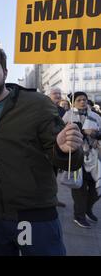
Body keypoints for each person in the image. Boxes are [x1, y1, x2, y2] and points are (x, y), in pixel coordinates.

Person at [0, 46, 83, 256]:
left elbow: (68, 161)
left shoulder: (37, 104)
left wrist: (65, 150)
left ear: (5, 71)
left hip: (34, 217)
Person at [62, 91, 101, 228]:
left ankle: (87, 209)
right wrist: (84, 132)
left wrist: (96, 134)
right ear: (73, 102)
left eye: (84, 99)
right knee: (80, 189)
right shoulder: (68, 116)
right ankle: (78, 216)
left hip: (93, 157)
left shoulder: (95, 116)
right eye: (79, 100)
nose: (82, 102)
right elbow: (63, 134)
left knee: (96, 190)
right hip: (77, 157)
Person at [47, 87, 67, 207]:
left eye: (59, 93)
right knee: (46, 174)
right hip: (45, 147)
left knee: (54, 175)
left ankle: (53, 198)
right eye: (55, 93)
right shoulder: (42, 108)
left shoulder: (63, 110)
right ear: (49, 95)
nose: (58, 95)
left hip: (59, 147)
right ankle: (45, 199)